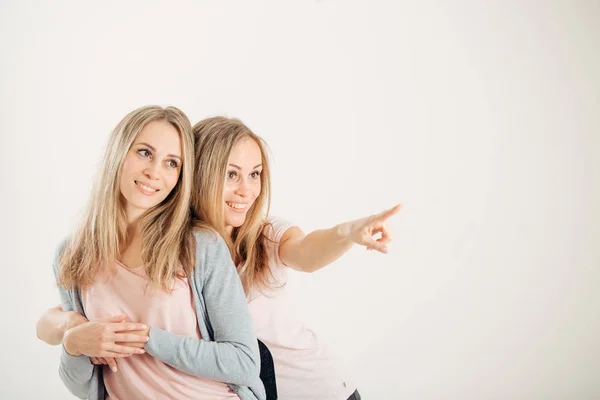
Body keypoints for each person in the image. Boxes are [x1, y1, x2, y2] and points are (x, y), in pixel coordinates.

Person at [38, 115, 399, 400]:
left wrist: (346, 233)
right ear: (198, 175)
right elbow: (73, 325)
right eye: (231, 175)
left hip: (315, 389)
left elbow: (306, 253)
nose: (247, 190)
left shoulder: (260, 235)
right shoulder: (173, 243)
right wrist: (66, 328)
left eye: (255, 175)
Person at [43, 107, 264, 400]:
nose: (154, 172)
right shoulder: (72, 255)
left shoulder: (199, 245)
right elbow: (85, 388)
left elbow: (244, 363)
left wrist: (147, 338)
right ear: (119, 151)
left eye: (172, 163)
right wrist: (74, 344)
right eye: (145, 153)